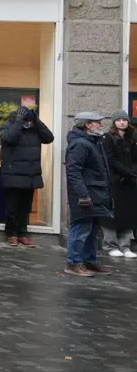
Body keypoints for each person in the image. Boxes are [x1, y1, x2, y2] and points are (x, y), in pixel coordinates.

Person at [65, 112, 114, 278]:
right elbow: (73, 171)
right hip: (86, 194)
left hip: (95, 192)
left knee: (92, 230)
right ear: (87, 125)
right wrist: (83, 195)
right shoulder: (80, 144)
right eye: (97, 122)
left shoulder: (92, 142)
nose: (100, 125)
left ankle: (88, 261)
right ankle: (73, 263)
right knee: (81, 229)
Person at [0, 105, 53, 247]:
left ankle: (23, 233)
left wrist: (37, 121)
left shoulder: (35, 128)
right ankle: (11, 234)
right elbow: (9, 138)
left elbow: (49, 138)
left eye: (30, 120)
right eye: (26, 120)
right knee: (12, 207)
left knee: (25, 207)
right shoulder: (7, 126)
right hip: (13, 174)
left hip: (30, 175)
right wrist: (18, 122)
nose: (28, 123)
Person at [102, 113, 137, 259]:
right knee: (112, 214)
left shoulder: (133, 137)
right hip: (115, 181)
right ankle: (110, 245)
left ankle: (125, 246)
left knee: (129, 214)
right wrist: (127, 172)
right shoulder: (108, 138)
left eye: (124, 120)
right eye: (119, 120)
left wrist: (133, 173)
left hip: (130, 182)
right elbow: (110, 159)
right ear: (114, 122)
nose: (122, 123)